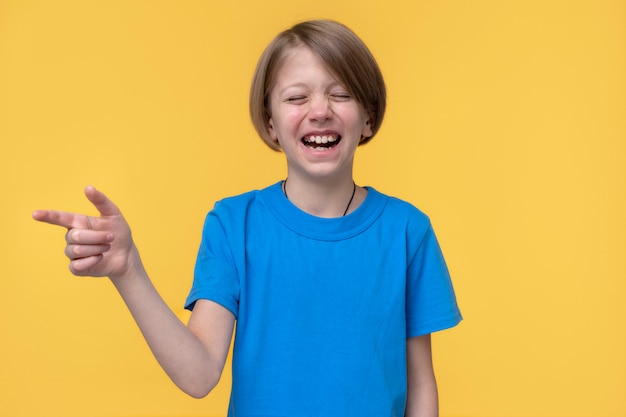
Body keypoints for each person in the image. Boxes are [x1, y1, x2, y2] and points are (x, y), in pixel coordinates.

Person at [33, 19, 461, 417]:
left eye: (341, 94)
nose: (319, 110)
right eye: (296, 97)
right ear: (271, 122)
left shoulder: (407, 231)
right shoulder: (233, 224)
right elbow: (199, 375)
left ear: (367, 117)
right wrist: (128, 271)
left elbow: (420, 381)